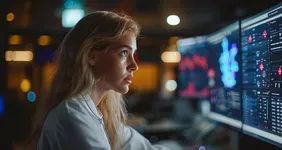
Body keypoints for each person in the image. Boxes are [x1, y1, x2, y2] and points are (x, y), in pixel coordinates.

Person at [26, 11, 182, 150]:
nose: (134, 66)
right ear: (91, 56)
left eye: (132, 54)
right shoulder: (72, 117)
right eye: (123, 53)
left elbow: (142, 147)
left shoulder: (95, 112)